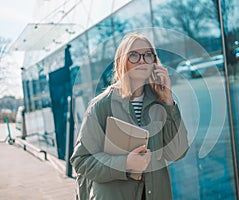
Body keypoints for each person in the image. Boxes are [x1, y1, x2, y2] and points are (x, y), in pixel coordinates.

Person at [70, 32, 189, 200]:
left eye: (148, 55)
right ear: (121, 62)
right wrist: (125, 164)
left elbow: (177, 153)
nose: (142, 60)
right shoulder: (101, 105)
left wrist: (169, 101)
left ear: (154, 62)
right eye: (134, 55)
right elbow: (81, 161)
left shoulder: (161, 102)